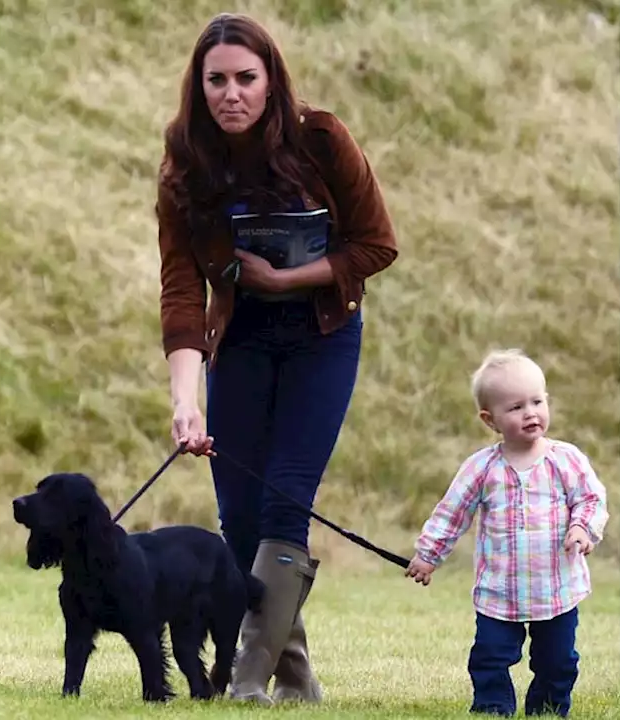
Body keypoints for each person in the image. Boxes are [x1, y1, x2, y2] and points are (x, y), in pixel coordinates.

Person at [155, 12, 397, 705]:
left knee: (284, 501)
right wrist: (185, 398)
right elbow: (180, 290)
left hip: (323, 337)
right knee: (238, 514)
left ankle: (246, 681)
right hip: (241, 345)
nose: (231, 93)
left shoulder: (320, 139)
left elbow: (377, 244)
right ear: (199, 88)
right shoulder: (186, 164)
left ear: (271, 82)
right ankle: (295, 680)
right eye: (216, 81)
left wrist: (287, 279)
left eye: (245, 79)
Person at [405, 350, 608, 718]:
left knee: (559, 661)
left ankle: (547, 707)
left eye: (537, 401)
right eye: (515, 407)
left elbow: (591, 499)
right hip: (500, 592)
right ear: (490, 419)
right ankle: (493, 706)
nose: (530, 413)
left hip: (556, 590)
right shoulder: (481, 469)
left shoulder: (566, 460)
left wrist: (582, 527)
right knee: (489, 656)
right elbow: (451, 514)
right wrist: (427, 555)